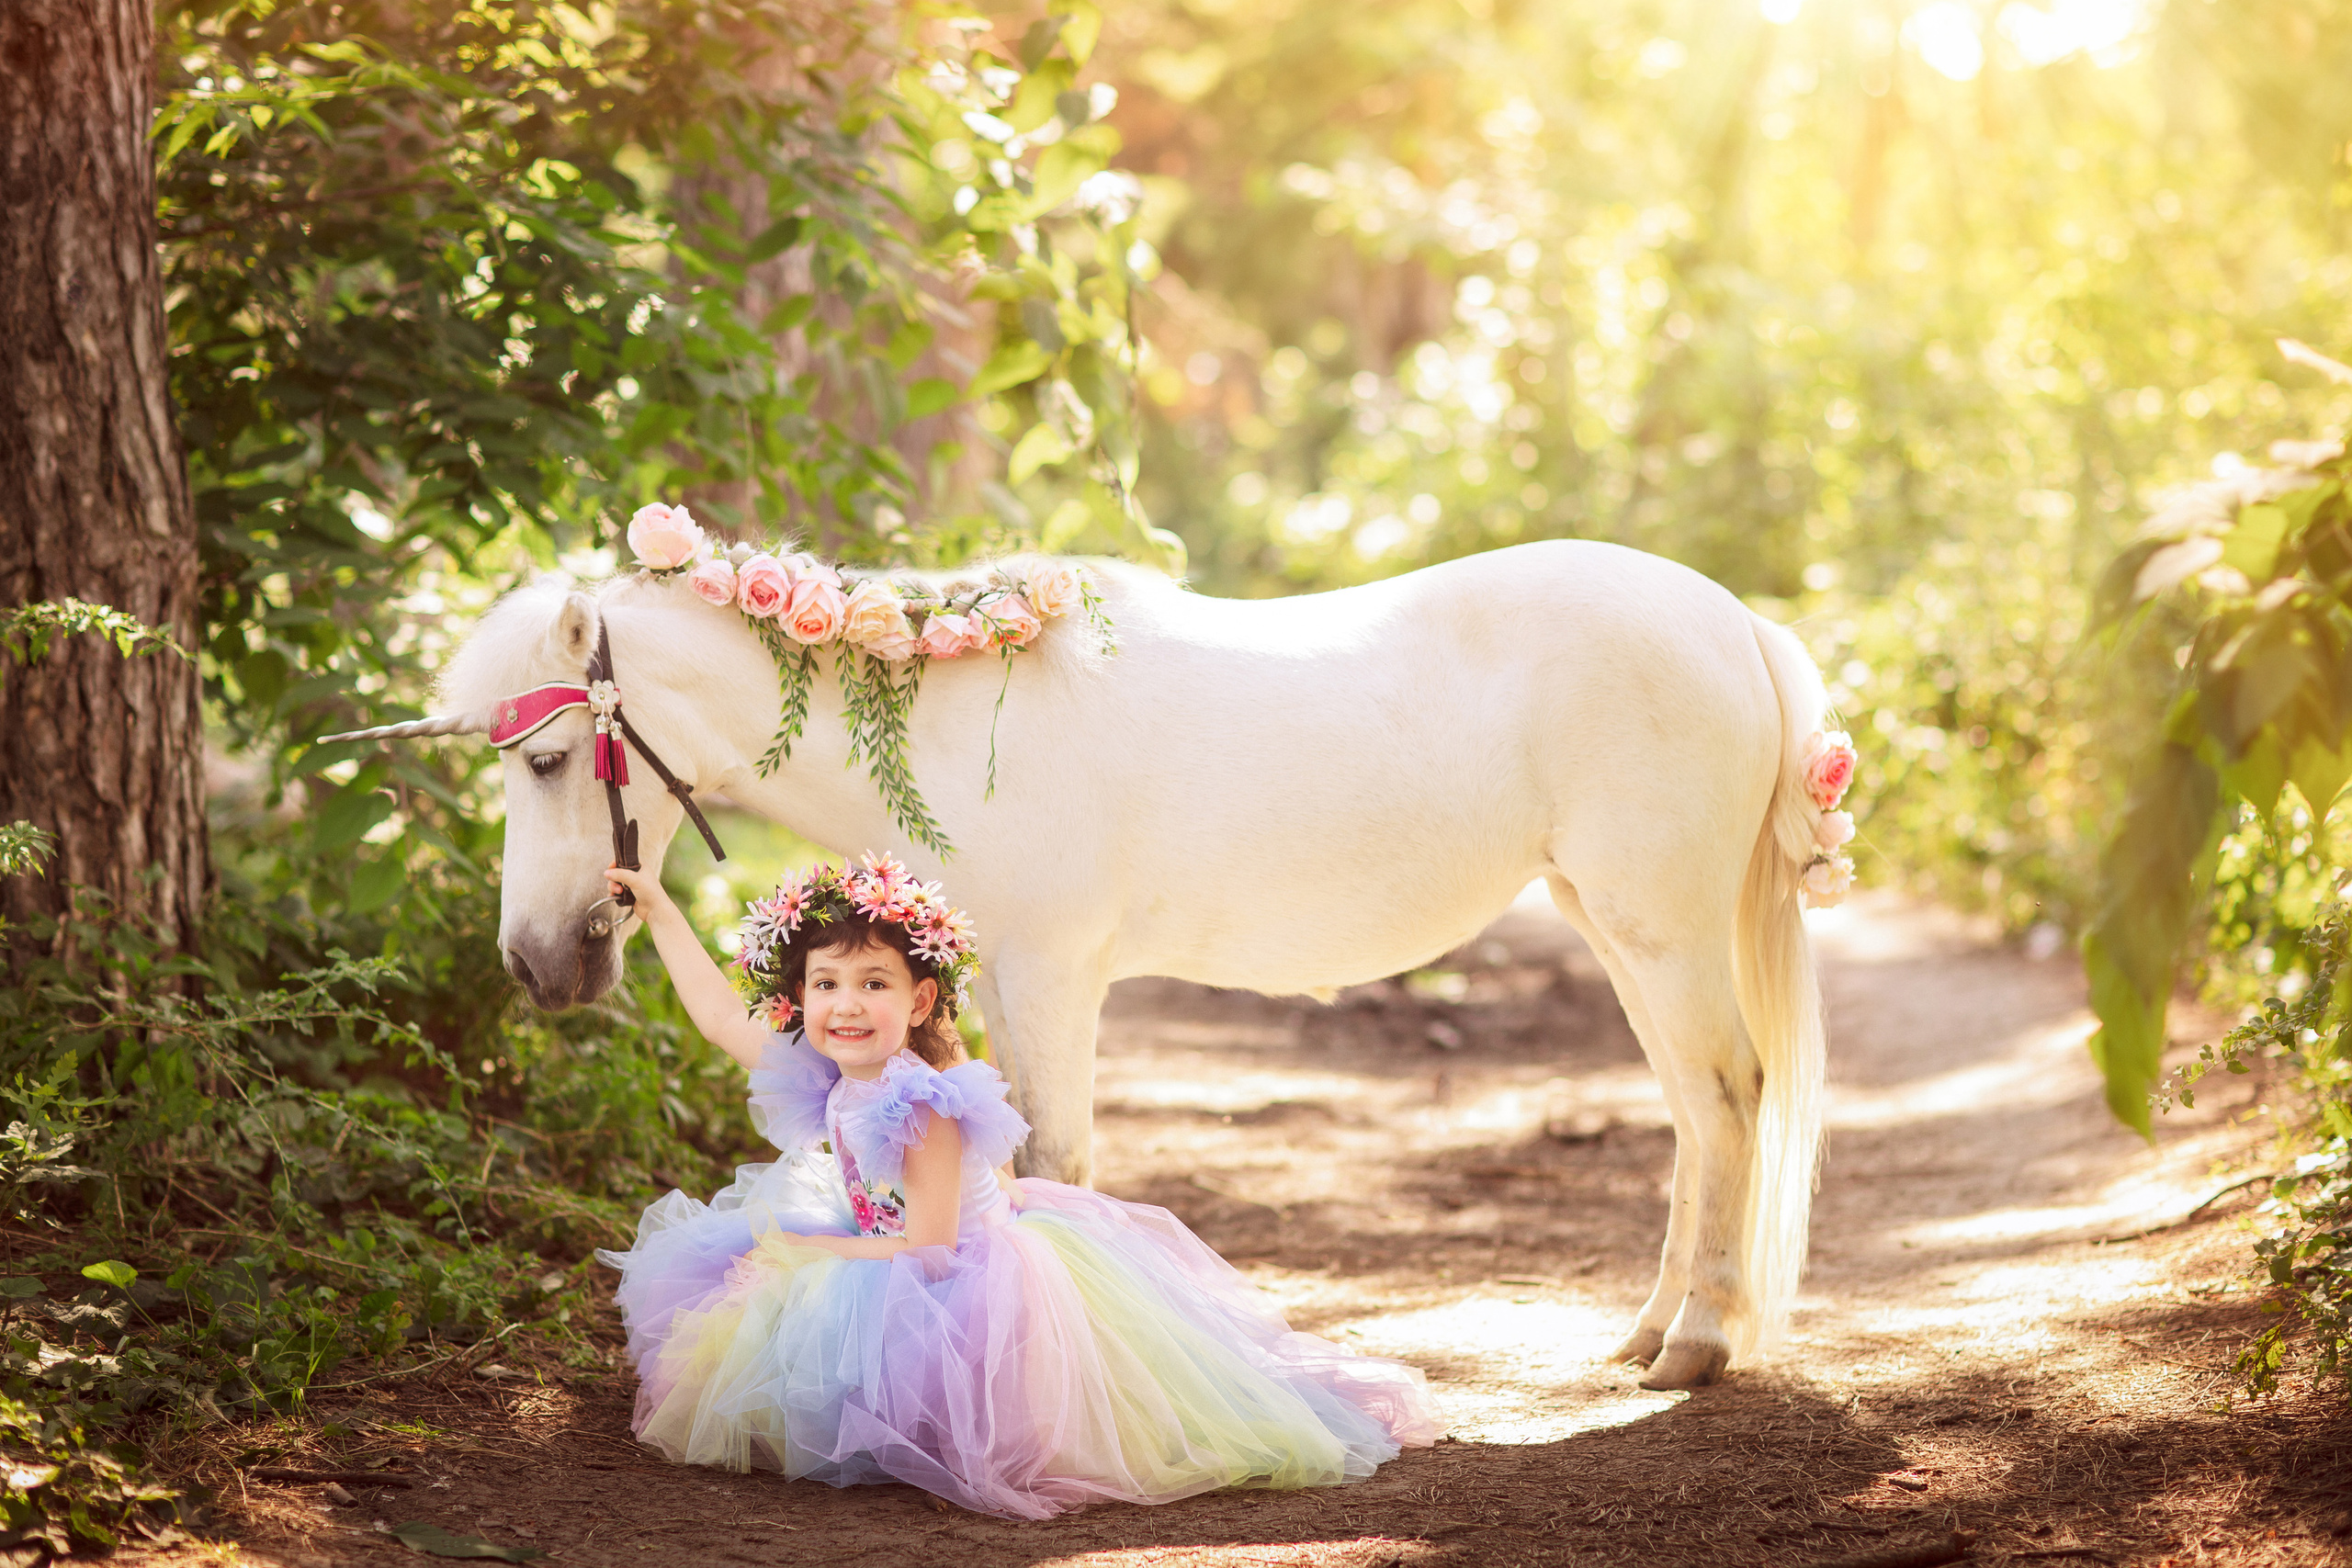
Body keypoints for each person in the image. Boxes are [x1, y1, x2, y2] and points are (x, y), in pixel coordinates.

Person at [594, 852, 1443, 1520]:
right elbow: (714, 1015)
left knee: (875, 1332)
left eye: (874, 983)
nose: (846, 1005)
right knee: (766, 1285)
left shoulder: (922, 1103)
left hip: (955, 1274)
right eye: (826, 984)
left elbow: (928, 1248)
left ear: (922, 997)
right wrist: (661, 908)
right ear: (799, 997)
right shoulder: (832, 1068)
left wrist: (810, 1248)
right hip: (889, 1250)